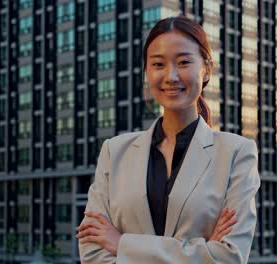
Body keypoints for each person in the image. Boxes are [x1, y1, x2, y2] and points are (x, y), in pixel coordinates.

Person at [76, 16, 260, 263]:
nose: (171, 76)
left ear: (206, 69)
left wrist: (122, 244)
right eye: (158, 64)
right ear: (147, 72)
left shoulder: (237, 153)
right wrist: (203, 251)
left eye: (184, 62)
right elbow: (92, 253)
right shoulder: (114, 152)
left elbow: (229, 256)